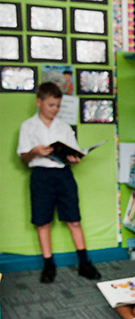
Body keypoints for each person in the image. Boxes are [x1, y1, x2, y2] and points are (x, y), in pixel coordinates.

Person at [17, 82, 101, 283]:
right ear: (39, 102)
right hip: (41, 177)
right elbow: (23, 157)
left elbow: (73, 150)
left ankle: (84, 264)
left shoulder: (64, 127)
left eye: (57, 106)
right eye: (51, 105)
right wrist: (34, 151)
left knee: (74, 219)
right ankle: (49, 265)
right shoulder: (27, 126)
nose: (54, 109)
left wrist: (74, 157)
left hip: (64, 175)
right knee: (42, 222)